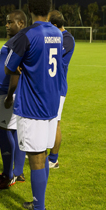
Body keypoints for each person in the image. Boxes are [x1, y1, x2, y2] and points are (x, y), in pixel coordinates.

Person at [5, 0, 63, 210]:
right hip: (51, 103)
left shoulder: (27, 35)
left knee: (36, 158)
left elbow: (9, 67)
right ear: (49, 9)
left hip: (33, 105)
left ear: (29, 10)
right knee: (43, 154)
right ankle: (40, 204)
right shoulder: (58, 34)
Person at [0, 10, 27, 190]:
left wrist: (10, 95)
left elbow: (16, 70)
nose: (7, 25)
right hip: (12, 93)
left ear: (21, 23)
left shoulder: (18, 41)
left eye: (10, 22)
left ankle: (7, 175)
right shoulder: (17, 40)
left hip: (10, 94)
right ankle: (17, 172)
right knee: (14, 132)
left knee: (1, 129)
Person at [47, 10, 75, 169]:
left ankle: (53, 159)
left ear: (54, 25)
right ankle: (42, 154)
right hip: (47, 86)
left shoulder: (67, 39)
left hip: (58, 87)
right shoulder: (52, 37)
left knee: (55, 122)